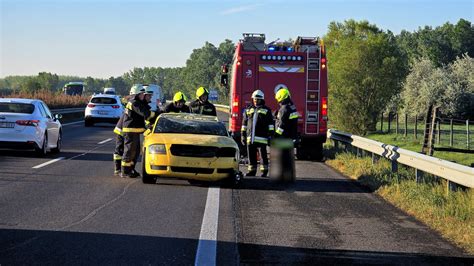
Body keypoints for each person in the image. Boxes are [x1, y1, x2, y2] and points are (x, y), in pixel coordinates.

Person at [121, 84, 156, 178]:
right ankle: (125, 171)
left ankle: (131, 169)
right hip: (130, 130)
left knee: (135, 151)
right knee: (129, 150)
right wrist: (156, 114)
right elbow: (145, 113)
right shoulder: (134, 103)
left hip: (135, 130)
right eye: (141, 94)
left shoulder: (137, 102)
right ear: (136, 95)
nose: (143, 96)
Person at [241, 90, 274, 177]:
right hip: (250, 137)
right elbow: (244, 124)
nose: (255, 101)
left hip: (262, 138)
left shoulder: (267, 110)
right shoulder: (248, 109)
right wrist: (242, 135)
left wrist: (271, 136)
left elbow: (271, 124)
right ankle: (252, 171)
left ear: (262, 100)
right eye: (254, 99)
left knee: (263, 155)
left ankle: (264, 171)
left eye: (257, 99)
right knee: (251, 155)